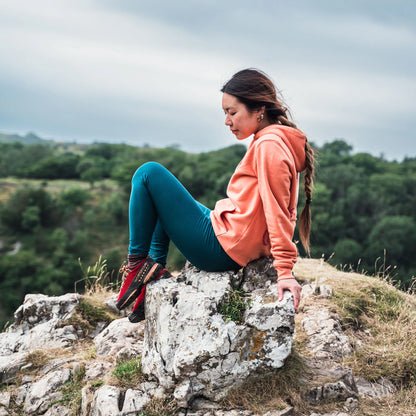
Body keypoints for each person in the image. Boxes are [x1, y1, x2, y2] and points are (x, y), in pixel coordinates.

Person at [116, 68, 315, 323]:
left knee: (148, 173)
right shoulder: (274, 139)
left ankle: (136, 268)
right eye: (225, 114)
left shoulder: (269, 146)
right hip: (229, 234)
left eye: (232, 113)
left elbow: (276, 211)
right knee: (162, 199)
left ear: (259, 109)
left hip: (222, 249)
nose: (227, 121)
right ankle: (150, 273)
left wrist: (285, 271)